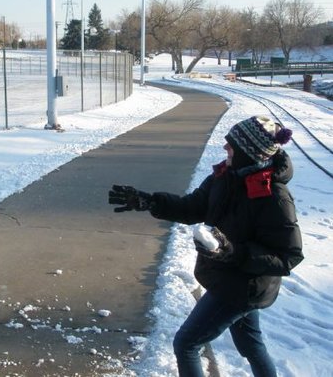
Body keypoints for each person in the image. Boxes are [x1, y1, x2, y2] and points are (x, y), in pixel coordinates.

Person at [108, 116, 304, 377]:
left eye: (231, 145)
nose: (226, 149)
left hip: (241, 287)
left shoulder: (274, 197)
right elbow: (192, 208)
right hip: (227, 278)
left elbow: (287, 256)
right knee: (250, 345)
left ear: (249, 152)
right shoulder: (226, 176)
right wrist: (150, 201)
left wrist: (232, 252)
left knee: (187, 344)